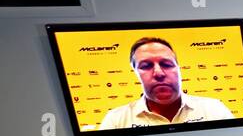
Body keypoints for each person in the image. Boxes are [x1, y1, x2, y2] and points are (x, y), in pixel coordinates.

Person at [98, 36, 235, 130]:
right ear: (135, 73)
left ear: (178, 68)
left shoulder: (214, 110)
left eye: (166, 64)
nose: (158, 73)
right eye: (146, 66)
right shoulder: (116, 120)